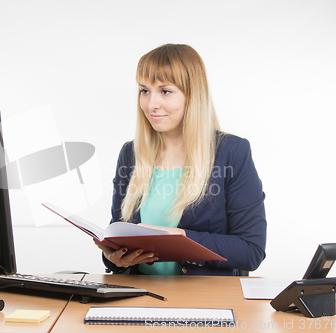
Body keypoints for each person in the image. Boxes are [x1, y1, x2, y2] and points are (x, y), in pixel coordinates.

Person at [94, 44, 266, 276]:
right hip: (137, 299)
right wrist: (114, 258)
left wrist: (183, 239)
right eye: (145, 90)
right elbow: (118, 237)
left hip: (203, 304)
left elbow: (250, 250)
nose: (151, 103)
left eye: (165, 91)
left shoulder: (232, 153)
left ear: (192, 96)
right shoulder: (131, 154)